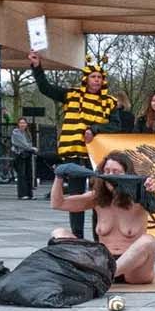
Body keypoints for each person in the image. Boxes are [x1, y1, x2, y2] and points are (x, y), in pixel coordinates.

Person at [28, 50, 117, 239]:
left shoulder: (109, 102)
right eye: (93, 76)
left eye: (99, 77)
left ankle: (97, 237)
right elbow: (46, 88)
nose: (96, 80)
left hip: (96, 156)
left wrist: (95, 129)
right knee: (75, 196)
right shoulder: (72, 95)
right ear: (86, 79)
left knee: (98, 196)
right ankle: (77, 237)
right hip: (73, 153)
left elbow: (116, 125)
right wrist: (37, 67)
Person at [50, 150, 155, 283]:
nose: (110, 176)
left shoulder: (139, 198)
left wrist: (150, 186)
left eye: (116, 172)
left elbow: (152, 195)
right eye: (107, 172)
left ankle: (104, 276)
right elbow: (58, 204)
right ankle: (103, 275)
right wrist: (58, 177)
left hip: (133, 271)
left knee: (148, 241)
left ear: (127, 174)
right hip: (102, 262)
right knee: (59, 233)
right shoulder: (97, 198)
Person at [10, 118, 37, 201]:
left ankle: (29, 194)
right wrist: (32, 148)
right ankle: (22, 194)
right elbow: (23, 144)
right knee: (21, 175)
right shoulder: (16, 132)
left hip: (28, 155)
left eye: (24, 123)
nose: (22, 124)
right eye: (21, 123)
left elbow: (29, 143)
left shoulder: (27, 133)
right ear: (18, 124)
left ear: (26, 124)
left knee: (29, 174)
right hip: (20, 155)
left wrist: (31, 149)